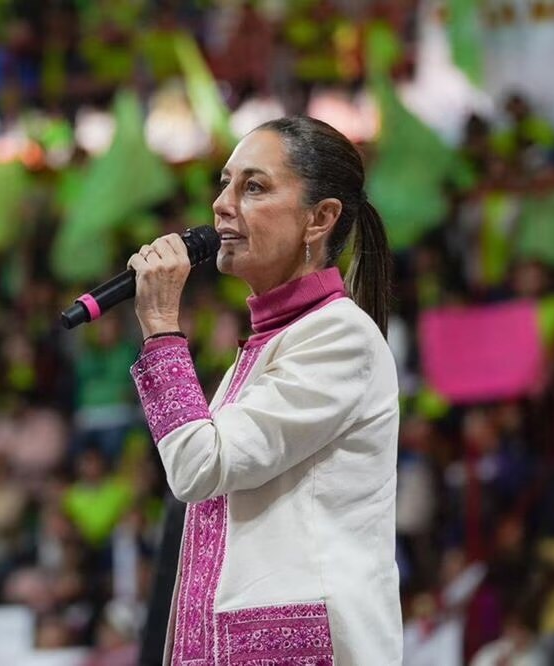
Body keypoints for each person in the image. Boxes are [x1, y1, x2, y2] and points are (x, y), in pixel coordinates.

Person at [126, 116, 400, 664]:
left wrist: (161, 328)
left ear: (319, 219)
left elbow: (199, 468)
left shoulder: (338, 336)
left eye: (253, 187)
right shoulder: (270, 345)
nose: (222, 205)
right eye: (224, 184)